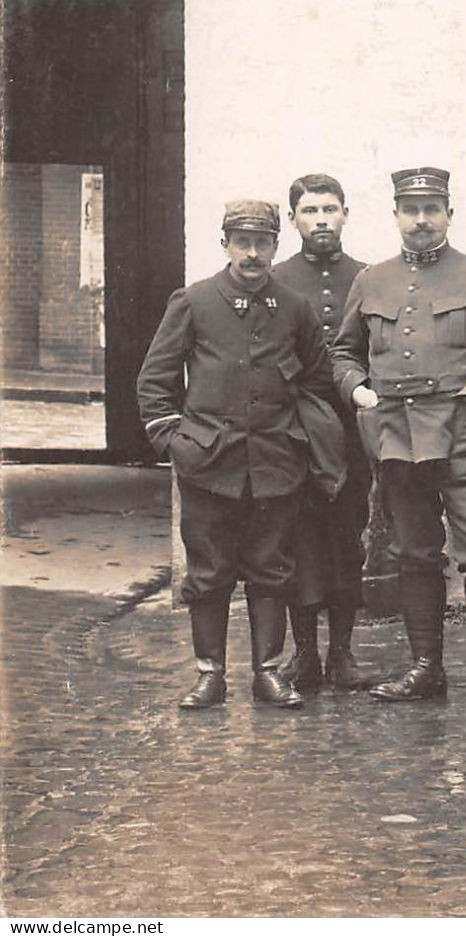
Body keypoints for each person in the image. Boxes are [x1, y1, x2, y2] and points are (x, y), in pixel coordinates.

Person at [330, 167, 466, 710]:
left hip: (465, 436)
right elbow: (343, 352)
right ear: (397, 215)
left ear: (449, 213)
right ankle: (426, 667)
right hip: (397, 440)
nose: (421, 220)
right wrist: (359, 392)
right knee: (414, 555)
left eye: (432, 209)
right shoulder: (371, 281)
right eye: (411, 210)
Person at [138, 200, 341, 710]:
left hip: (276, 466)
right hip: (209, 465)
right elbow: (155, 382)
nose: (252, 254)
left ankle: (268, 673)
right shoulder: (194, 301)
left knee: (271, 568)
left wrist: (298, 439)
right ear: (224, 243)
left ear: (276, 245)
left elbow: (318, 382)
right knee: (208, 571)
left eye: (263, 243)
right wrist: (176, 444)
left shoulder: (295, 308)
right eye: (242, 242)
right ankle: (210, 675)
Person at [271, 173, 376, 692]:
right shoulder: (275, 280)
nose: (321, 221)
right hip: (292, 436)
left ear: (345, 214)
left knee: (346, 540)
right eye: (309, 211)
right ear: (293, 219)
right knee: (297, 541)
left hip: (353, 433)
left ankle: (343, 654)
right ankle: (304, 654)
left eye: (329, 209)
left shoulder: (368, 277)